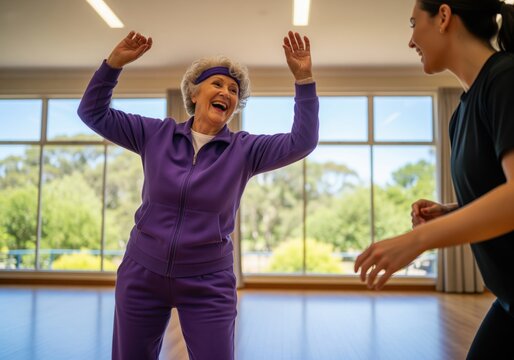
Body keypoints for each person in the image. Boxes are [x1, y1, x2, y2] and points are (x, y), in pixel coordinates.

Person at [77, 30, 318, 360]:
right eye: (217, 84)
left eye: (234, 90)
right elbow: (92, 113)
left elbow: (301, 142)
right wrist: (113, 65)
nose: (226, 93)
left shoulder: (246, 150)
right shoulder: (155, 134)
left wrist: (303, 80)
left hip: (209, 281)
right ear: (194, 91)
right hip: (142, 272)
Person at [354, 0, 514, 358]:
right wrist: (452, 212)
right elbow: (499, 193)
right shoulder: (460, 115)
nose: (411, 41)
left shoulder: (505, 79)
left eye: (414, 23)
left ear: (443, 17)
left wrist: (418, 240)